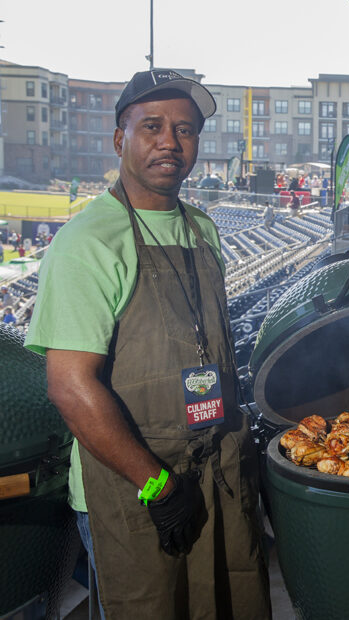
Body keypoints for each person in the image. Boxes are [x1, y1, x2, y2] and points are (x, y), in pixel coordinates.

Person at [24, 69, 271, 619]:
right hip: (138, 488)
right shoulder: (88, 243)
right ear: (120, 139)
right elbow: (70, 386)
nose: (169, 142)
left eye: (185, 130)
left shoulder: (201, 228)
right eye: (152, 126)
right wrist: (158, 486)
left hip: (216, 474)